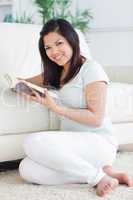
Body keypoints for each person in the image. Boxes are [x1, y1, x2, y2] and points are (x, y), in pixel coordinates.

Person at [19, 18, 133, 197]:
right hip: (74, 145)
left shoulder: (91, 69)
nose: (54, 51)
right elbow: (23, 81)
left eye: (59, 43)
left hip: (98, 142)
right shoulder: (56, 72)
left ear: (72, 40)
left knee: (32, 142)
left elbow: (96, 118)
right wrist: (19, 86)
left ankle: (97, 177)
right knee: (26, 168)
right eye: (48, 47)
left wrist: (56, 108)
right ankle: (103, 173)